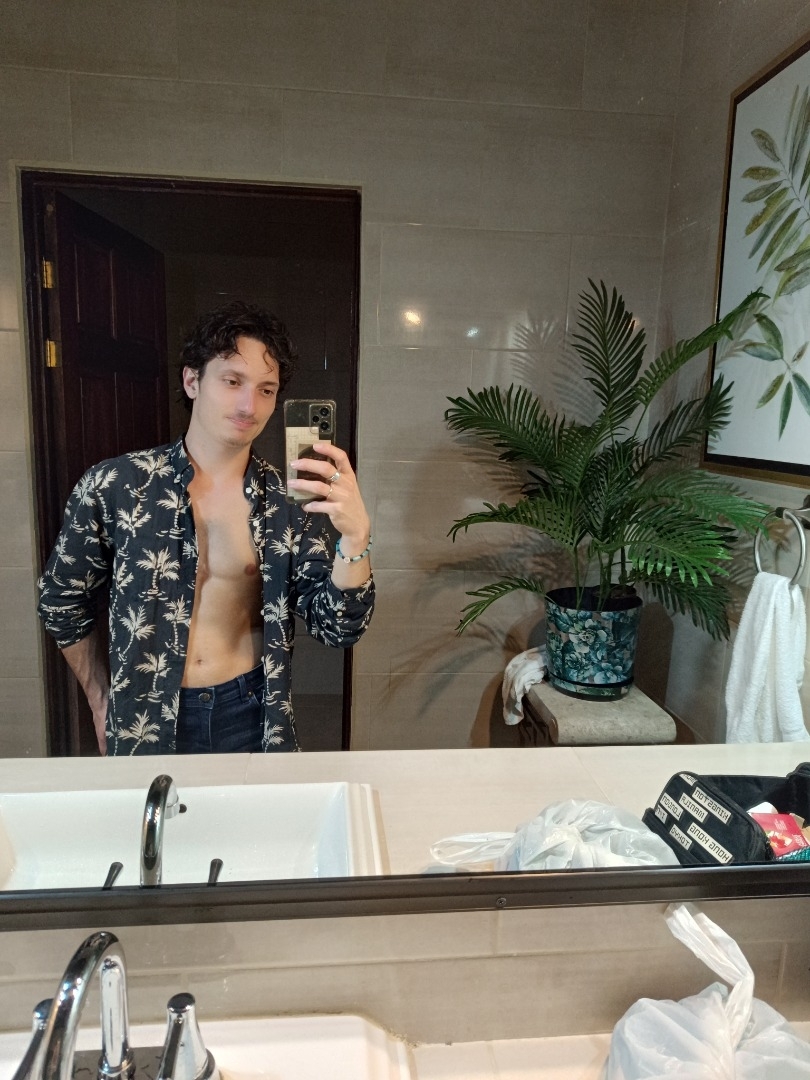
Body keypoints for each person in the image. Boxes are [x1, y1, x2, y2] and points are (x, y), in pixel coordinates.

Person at [37, 302, 374, 756]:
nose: (249, 405)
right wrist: (100, 701)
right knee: (154, 808)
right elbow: (61, 599)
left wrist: (355, 538)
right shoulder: (117, 484)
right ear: (192, 381)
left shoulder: (288, 501)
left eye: (266, 389)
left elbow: (337, 628)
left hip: (251, 713)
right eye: (232, 381)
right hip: (144, 713)